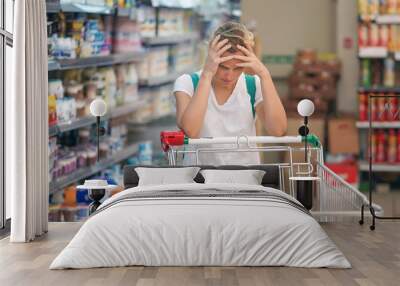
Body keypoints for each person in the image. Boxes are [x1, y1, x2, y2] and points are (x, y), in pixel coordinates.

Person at [173, 22, 287, 165]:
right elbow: (191, 131)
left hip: (245, 179)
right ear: (211, 55)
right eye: (222, 66)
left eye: (238, 68)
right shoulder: (187, 83)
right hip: (198, 179)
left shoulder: (253, 85)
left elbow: (278, 130)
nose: (229, 76)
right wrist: (207, 74)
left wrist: (264, 74)